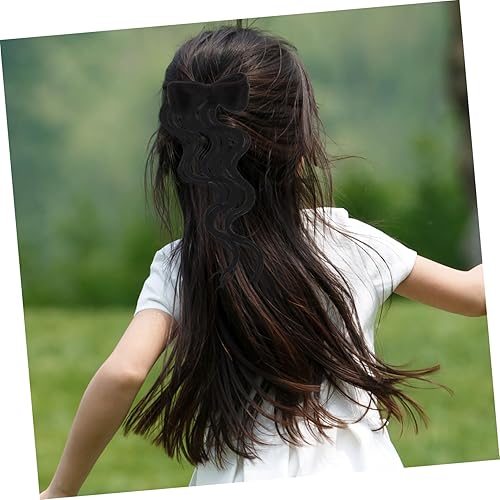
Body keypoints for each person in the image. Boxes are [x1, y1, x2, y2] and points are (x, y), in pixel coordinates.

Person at [40, 25, 486, 499]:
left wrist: (59, 491)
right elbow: (475, 295)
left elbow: (124, 372)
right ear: (299, 144)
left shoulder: (181, 264)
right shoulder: (348, 241)